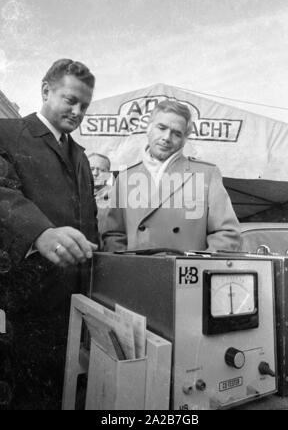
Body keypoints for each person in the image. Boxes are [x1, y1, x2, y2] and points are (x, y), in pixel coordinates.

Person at [0, 59, 99, 409]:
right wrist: (40, 232)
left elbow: (90, 224)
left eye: (84, 106)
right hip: (26, 304)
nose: (77, 111)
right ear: (45, 91)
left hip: (76, 301)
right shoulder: (7, 132)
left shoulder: (81, 156)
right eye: (70, 100)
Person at [102, 99, 241, 253]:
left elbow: (227, 234)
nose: (167, 138)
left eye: (176, 133)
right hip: (138, 272)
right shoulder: (125, 178)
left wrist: (198, 266)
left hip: (185, 273)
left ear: (184, 140)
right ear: (148, 129)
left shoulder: (206, 174)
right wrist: (126, 266)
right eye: (161, 128)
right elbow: (113, 235)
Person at [88, 153, 113, 237]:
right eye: (91, 169)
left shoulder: (118, 196)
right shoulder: (73, 195)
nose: (95, 173)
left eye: (102, 170)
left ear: (109, 175)